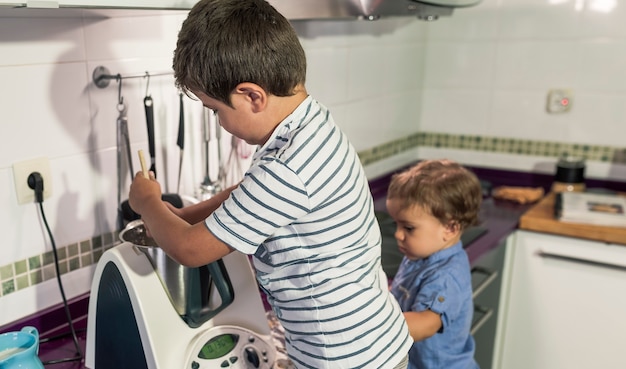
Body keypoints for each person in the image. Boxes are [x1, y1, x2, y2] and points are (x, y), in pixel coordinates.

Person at [128, 0, 412, 367]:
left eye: (216, 110)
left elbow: (190, 250)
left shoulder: (288, 167)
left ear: (251, 96)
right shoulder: (309, 127)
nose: (219, 122)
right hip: (370, 344)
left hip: (344, 358)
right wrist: (182, 213)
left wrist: (148, 203)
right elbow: (248, 196)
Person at [386, 159, 481, 369]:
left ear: (450, 229)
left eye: (409, 228)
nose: (398, 234)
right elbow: (404, 292)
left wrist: (373, 324)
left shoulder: (447, 275)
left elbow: (426, 323)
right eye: (397, 224)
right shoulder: (419, 253)